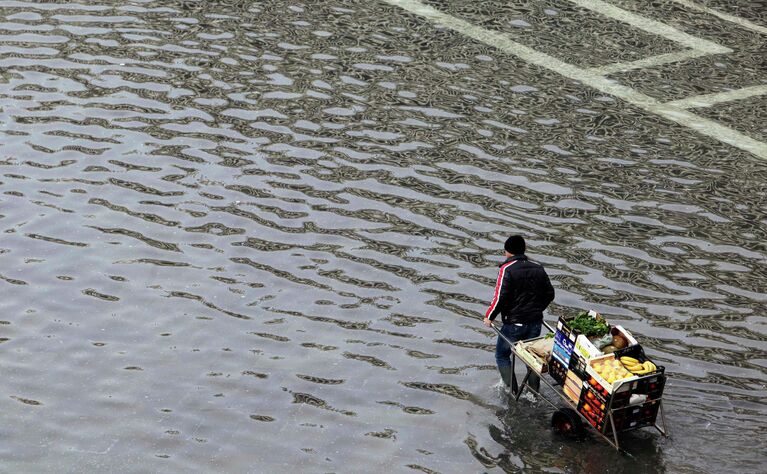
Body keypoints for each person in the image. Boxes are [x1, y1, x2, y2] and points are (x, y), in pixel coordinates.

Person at [483, 235, 555, 393]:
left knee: (502, 355)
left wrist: (489, 316)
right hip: (535, 322)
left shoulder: (506, 269)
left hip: (514, 323)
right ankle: (533, 392)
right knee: (533, 357)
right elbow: (550, 294)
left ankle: (512, 391)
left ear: (507, 252)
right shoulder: (538, 267)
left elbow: (499, 298)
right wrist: (537, 309)